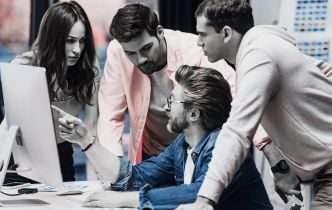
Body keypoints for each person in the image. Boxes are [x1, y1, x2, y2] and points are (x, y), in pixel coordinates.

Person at [177, 0, 332, 209]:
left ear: (225, 33)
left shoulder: (258, 55)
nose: (198, 42)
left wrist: (205, 199)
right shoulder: (266, 44)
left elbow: (237, 132)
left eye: (203, 34)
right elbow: (324, 70)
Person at [52, 65, 272, 209]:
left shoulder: (225, 147)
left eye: (171, 101)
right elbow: (133, 177)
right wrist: (85, 140)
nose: (165, 108)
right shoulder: (182, 145)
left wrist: (124, 200)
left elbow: (199, 193)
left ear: (193, 114)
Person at [97, 3, 236, 164]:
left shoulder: (193, 50)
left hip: (196, 153)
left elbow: (237, 94)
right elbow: (110, 114)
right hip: (152, 154)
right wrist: (113, 165)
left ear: (160, 32)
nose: (140, 59)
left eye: (146, 48)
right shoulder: (117, 51)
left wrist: (265, 145)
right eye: (131, 53)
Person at [7, 1, 100, 182]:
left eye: (82, 41)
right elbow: (8, 127)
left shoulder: (89, 68)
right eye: (70, 41)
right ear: (53, 38)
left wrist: (100, 173)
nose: (77, 50)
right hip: (24, 158)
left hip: (62, 154)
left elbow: (91, 123)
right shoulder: (23, 65)